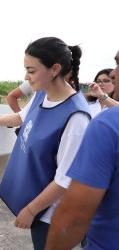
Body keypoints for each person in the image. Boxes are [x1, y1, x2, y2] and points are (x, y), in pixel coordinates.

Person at [0, 37, 91, 250]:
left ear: (54, 69)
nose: (26, 77)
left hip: (51, 213)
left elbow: (64, 181)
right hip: (35, 192)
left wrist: (32, 210)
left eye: (31, 71)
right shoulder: (43, 94)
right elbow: (23, 117)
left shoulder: (76, 118)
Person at [45, 50, 119, 250]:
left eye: (108, 78)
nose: (109, 78)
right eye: (99, 80)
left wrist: (102, 96)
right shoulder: (88, 105)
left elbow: (74, 214)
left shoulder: (109, 120)